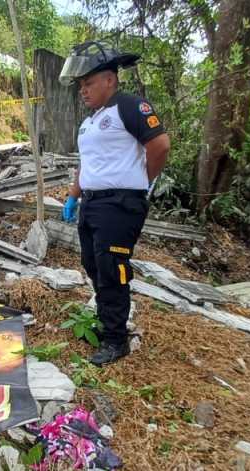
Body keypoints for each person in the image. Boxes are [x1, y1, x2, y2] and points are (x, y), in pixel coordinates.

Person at [59, 41, 171, 366]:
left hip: (120, 205)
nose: (84, 90)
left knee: (113, 270)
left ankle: (115, 338)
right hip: (92, 205)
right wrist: (73, 195)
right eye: (81, 85)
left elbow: (160, 145)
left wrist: (142, 183)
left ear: (110, 79)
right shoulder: (91, 121)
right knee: (92, 264)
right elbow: (87, 163)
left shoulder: (130, 107)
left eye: (89, 83)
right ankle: (109, 316)